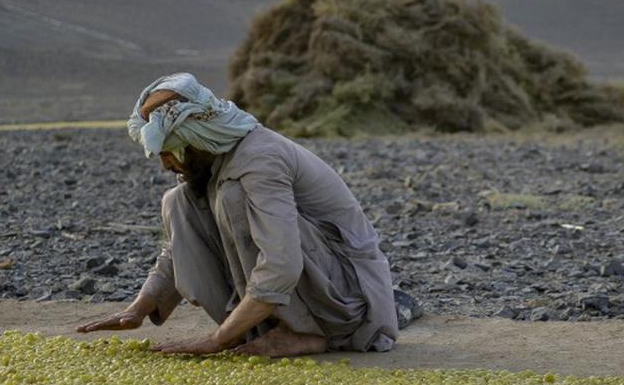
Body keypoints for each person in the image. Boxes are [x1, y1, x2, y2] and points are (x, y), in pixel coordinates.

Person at [78, 72, 411, 357]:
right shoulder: (215, 163)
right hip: (316, 288)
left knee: (233, 198)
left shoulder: (259, 160)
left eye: (170, 153)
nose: (166, 164)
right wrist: (140, 306)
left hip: (348, 302)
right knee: (179, 200)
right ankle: (262, 324)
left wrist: (215, 340)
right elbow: (178, 248)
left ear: (196, 142)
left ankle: (305, 330)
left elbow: (281, 264)